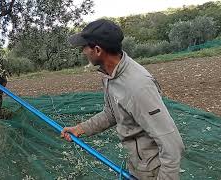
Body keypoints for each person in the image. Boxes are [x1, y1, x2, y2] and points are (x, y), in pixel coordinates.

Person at [61, 19, 185, 180]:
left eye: (84, 47)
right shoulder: (110, 74)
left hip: (153, 172)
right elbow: (112, 113)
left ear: (97, 50)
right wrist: (80, 128)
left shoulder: (138, 86)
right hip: (137, 164)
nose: (83, 51)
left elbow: (172, 145)